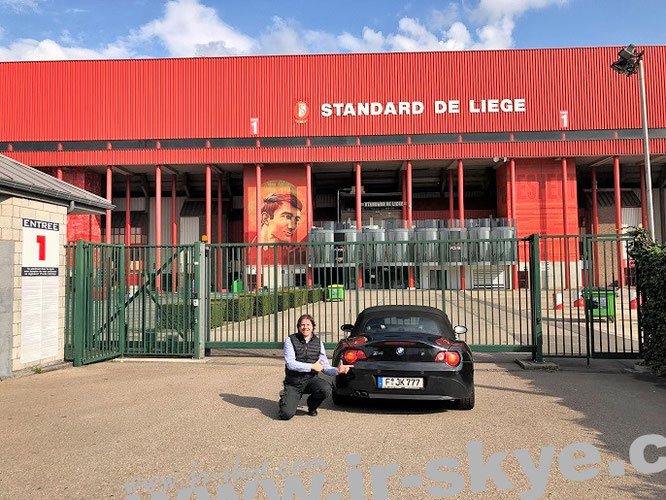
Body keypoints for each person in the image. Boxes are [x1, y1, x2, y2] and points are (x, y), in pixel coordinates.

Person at [278, 314, 351, 420]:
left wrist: (337, 370)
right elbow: (291, 364)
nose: (305, 327)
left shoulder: (318, 343)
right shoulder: (290, 340)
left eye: (308, 324)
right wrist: (312, 366)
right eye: (302, 325)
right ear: (298, 327)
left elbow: (325, 367)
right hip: (293, 382)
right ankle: (285, 399)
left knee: (325, 389)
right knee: (286, 415)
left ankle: (311, 406)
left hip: (310, 380)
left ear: (313, 327)